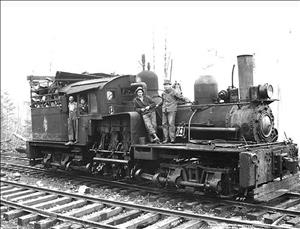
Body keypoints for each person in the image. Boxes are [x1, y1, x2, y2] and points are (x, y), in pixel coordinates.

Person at [161, 79, 191, 143]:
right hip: (164, 110)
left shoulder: (174, 92)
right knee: (164, 124)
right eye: (165, 85)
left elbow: (180, 97)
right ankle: (166, 139)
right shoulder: (163, 93)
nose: (166, 86)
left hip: (171, 109)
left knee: (171, 124)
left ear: (170, 85)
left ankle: (172, 139)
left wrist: (188, 100)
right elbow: (163, 101)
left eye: (167, 85)